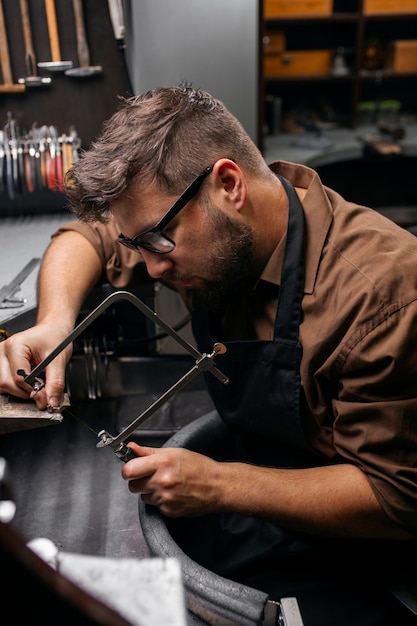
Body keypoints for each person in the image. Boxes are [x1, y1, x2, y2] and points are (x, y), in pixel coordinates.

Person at [1, 85, 417, 625]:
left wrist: (220, 484)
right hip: (268, 506)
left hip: (365, 552)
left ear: (228, 184)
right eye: (138, 247)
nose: (151, 270)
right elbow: (88, 237)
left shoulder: (381, 298)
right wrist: (55, 323)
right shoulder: (213, 228)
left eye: (156, 241)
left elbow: (395, 496)